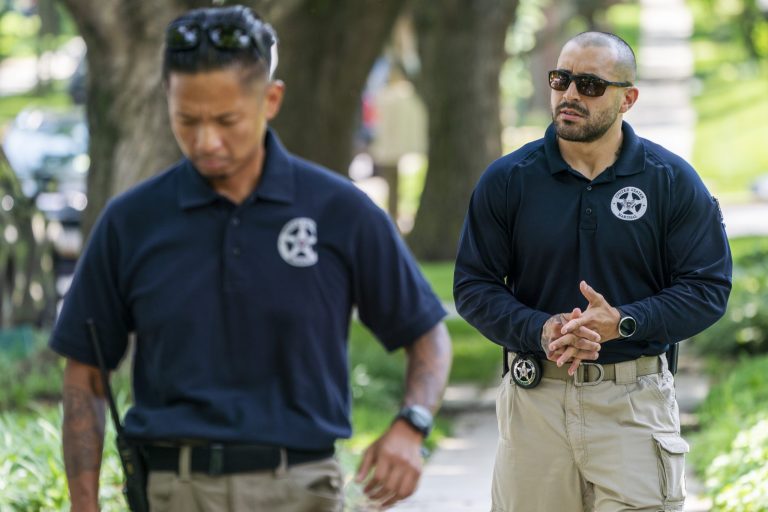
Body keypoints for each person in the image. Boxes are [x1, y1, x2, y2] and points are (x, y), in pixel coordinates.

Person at [50, 6, 451, 512]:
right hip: (174, 491)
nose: (206, 140)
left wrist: (412, 423)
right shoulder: (131, 222)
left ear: (272, 99)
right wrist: (84, 506)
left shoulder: (340, 211)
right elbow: (84, 373)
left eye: (227, 120)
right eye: (187, 120)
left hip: (302, 490)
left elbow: (427, 333)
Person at [454, 31, 731, 512]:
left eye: (589, 85)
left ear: (628, 99)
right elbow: (473, 286)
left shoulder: (671, 181)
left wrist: (623, 320)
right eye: (560, 80)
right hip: (534, 401)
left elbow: (707, 288)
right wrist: (541, 329)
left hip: (634, 403)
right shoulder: (507, 180)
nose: (570, 95)